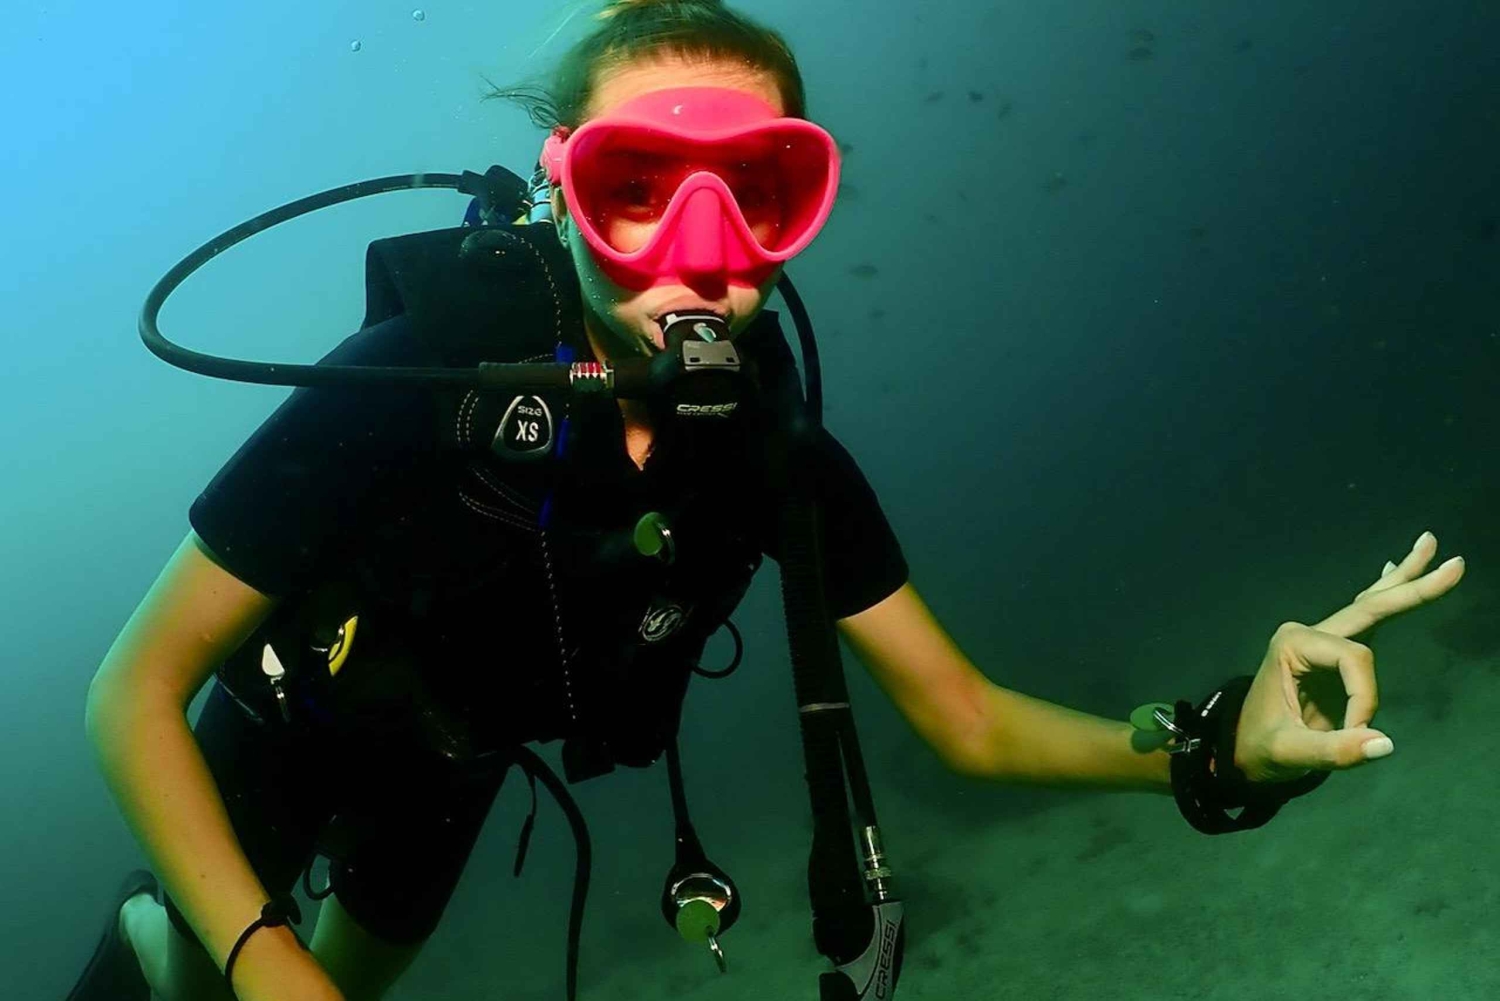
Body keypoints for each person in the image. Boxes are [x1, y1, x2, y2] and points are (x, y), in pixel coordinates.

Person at [71, 2, 1466, 1000]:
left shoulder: (776, 460)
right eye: (638, 189)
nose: (702, 252)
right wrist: (262, 962)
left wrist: (1220, 750)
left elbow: (967, 720)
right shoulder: (400, 386)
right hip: (279, 741)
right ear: (559, 195)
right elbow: (132, 691)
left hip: (454, 784)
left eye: (756, 192)